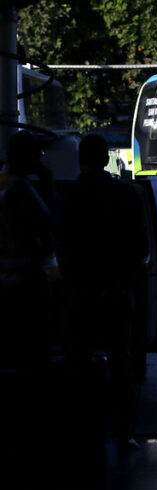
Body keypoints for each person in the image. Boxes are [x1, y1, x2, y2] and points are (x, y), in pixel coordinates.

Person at [55, 134, 148, 451]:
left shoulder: (68, 195)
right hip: (117, 293)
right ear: (105, 158)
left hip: (80, 294)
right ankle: (123, 431)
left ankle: (82, 430)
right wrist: (119, 284)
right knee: (121, 361)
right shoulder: (127, 194)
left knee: (78, 360)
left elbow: (62, 246)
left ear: (81, 158)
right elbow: (140, 247)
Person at [0, 130, 57, 370]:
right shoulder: (21, 188)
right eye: (37, 153)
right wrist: (47, 186)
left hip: (6, 283)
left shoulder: (3, 184)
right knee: (34, 353)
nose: (41, 158)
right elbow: (48, 229)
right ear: (28, 157)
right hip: (25, 284)